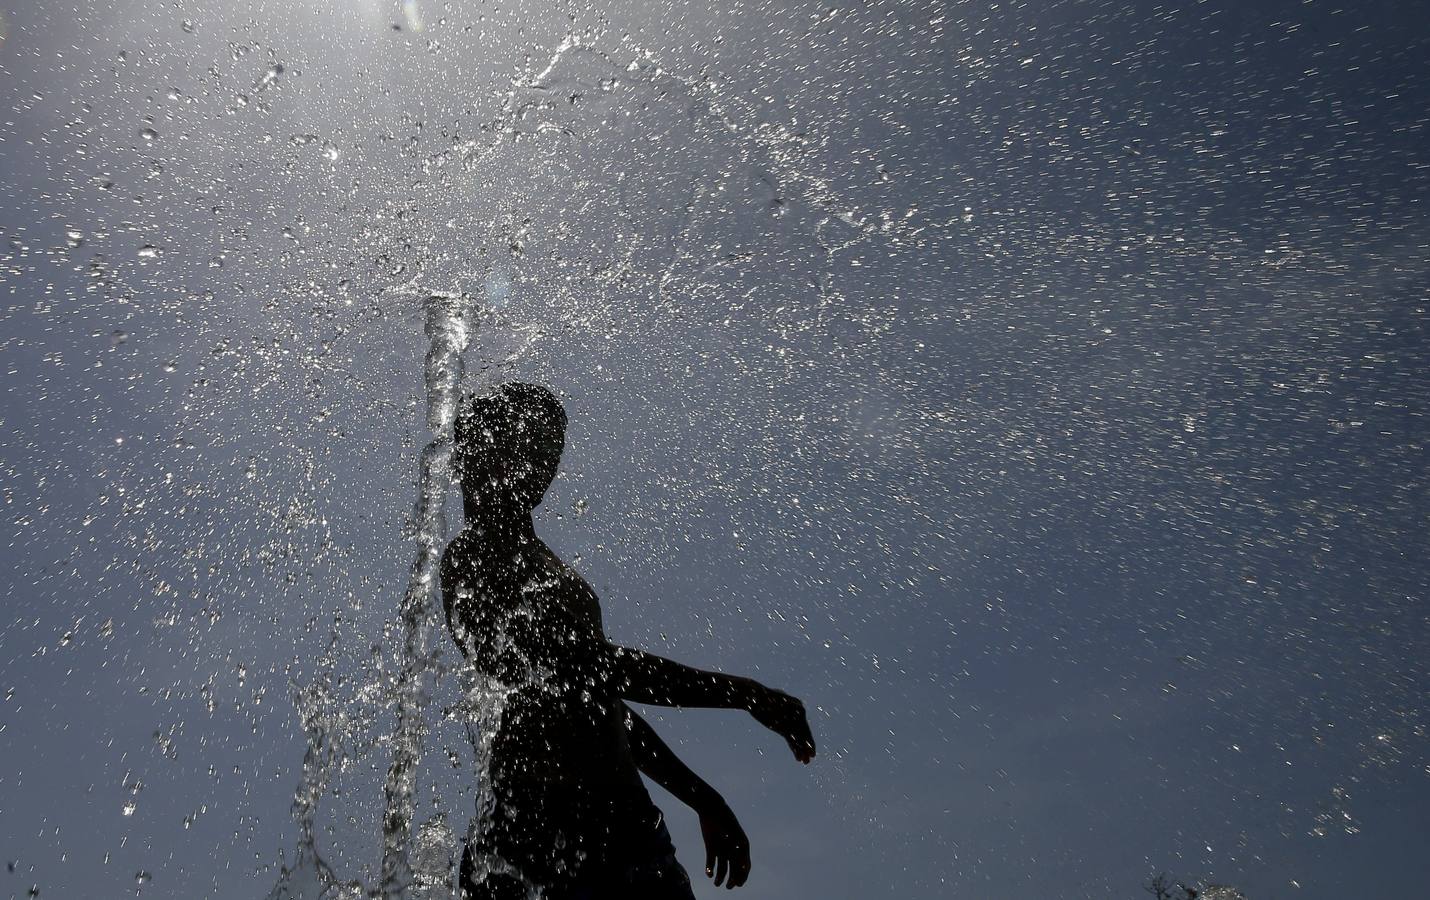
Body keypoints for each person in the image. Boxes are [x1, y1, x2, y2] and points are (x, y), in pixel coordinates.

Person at [441, 382, 816, 900]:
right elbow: (586, 669)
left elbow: (597, 702)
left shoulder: (545, 565)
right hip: (538, 838)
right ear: (485, 452)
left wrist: (702, 797)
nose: (545, 465)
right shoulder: (471, 561)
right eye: (532, 445)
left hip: (627, 832)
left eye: (552, 452)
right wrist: (743, 693)